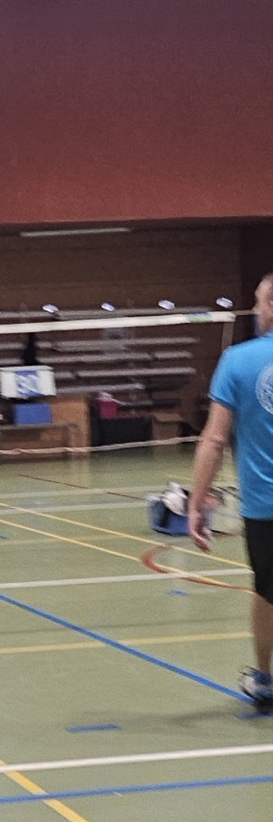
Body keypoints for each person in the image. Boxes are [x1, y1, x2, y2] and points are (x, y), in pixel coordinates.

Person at [188, 273, 273, 712]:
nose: (255, 310)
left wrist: (196, 503)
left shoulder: (238, 361)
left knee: (267, 591)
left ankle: (266, 678)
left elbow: (215, 440)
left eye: (259, 302)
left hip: (264, 508)